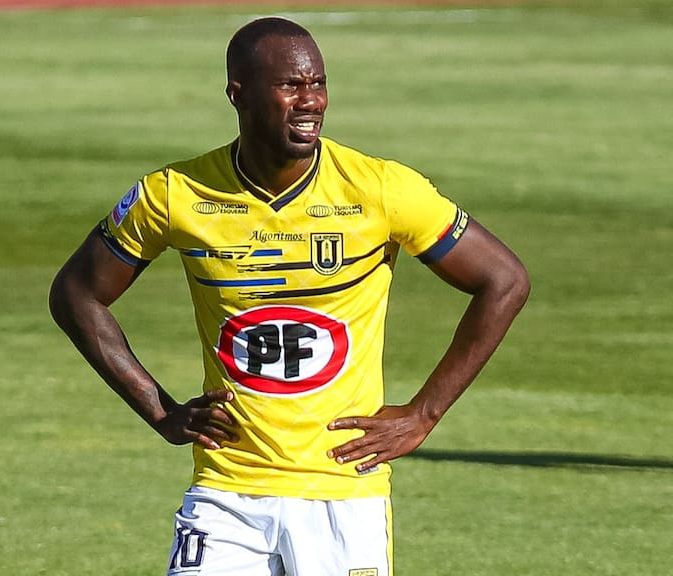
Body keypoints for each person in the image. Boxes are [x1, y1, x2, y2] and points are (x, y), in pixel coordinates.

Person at [49, 16, 529, 576]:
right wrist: (159, 410)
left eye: (318, 84)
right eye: (290, 86)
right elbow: (77, 294)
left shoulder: (380, 188)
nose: (311, 102)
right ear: (238, 93)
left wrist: (424, 413)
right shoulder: (174, 195)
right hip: (226, 490)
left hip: (342, 493)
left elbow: (505, 280)